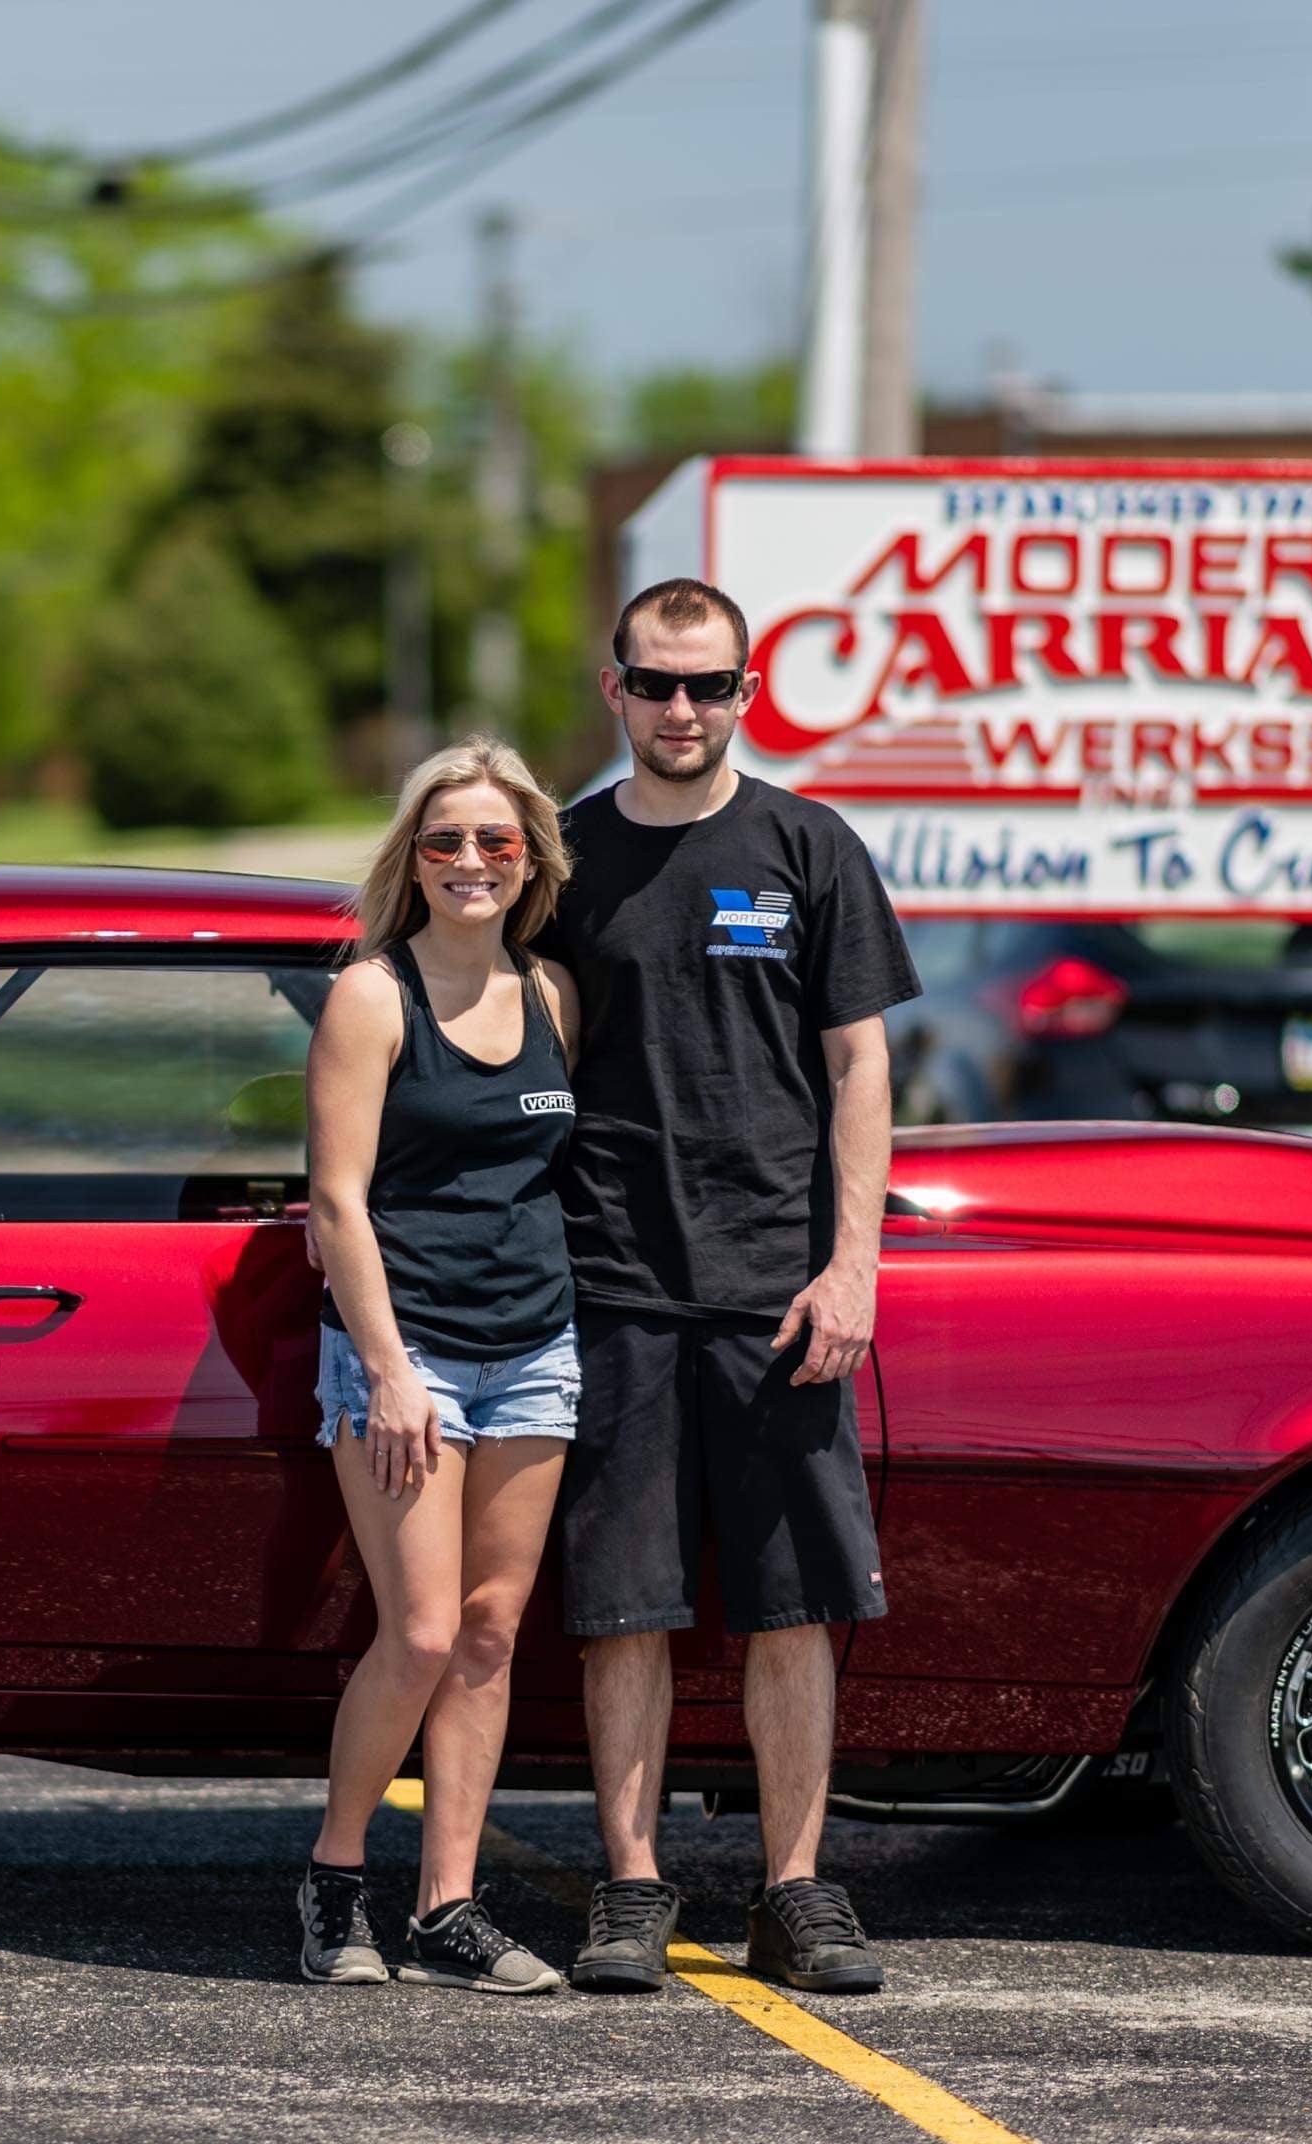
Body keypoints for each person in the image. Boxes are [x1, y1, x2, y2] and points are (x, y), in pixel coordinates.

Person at [545, 577, 919, 1998]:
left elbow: (859, 1067)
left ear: (748, 693)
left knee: (791, 1604)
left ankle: (796, 1892)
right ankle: (631, 1888)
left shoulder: (808, 847)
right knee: (623, 1606)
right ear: (615, 689)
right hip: (614, 1284)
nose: (681, 708)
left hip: (779, 1292)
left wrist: (851, 1267)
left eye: (709, 684)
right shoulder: (564, 861)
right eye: (656, 682)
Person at [294, 738, 584, 1996]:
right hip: (403, 1354)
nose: (472, 860)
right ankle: (333, 1881)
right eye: (446, 840)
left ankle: (447, 1908)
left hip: (535, 1349)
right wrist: (389, 1368)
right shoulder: (372, 996)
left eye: (496, 840)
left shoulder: (554, 995)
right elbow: (335, 1202)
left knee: (487, 1632)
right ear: (411, 860)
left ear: (530, 860)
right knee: (415, 1632)